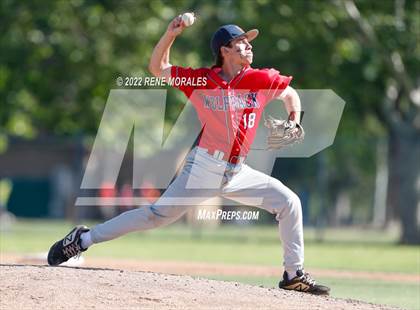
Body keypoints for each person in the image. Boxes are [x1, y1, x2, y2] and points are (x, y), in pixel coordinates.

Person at [47, 15, 330, 296]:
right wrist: (171, 34)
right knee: (155, 217)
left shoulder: (260, 78)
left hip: (238, 171)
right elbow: (159, 68)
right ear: (225, 50)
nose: (248, 46)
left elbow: (289, 92)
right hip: (205, 166)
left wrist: (295, 118)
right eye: (241, 42)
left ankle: (293, 275)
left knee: (289, 202)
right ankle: (83, 239)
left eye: (248, 42)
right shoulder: (202, 80)